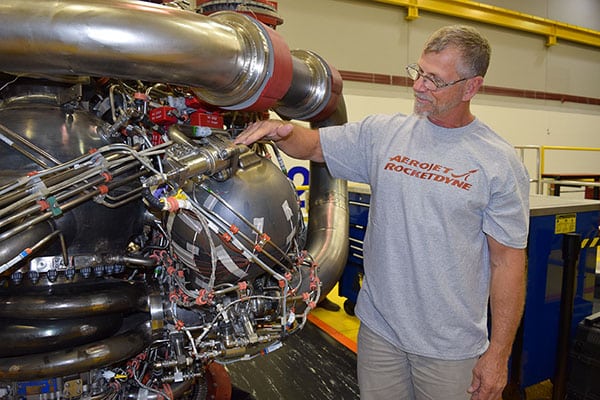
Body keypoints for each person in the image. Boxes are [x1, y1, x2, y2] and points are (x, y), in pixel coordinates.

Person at [235, 25, 530, 400]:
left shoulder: (497, 162)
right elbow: (315, 145)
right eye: (418, 72)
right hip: (380, 334)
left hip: (450, 350)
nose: (419, 86)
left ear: (471, 87)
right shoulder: (385, 134)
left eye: (435, 80)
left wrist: (498, 355)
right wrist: (283, 131)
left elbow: (507, 263)